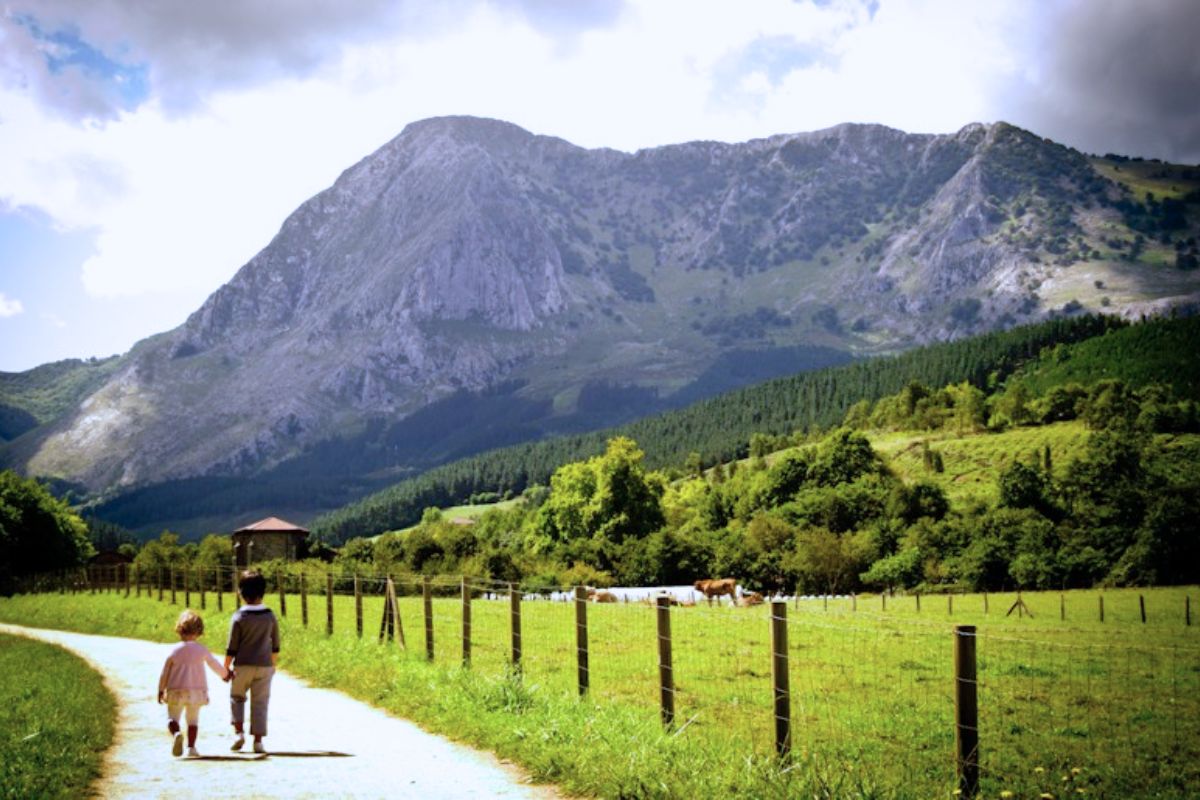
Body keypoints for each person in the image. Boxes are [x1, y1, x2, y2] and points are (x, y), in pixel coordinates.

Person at [158, 609, 232, 758]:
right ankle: (191, 748)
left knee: (172, 718)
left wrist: (160, 690)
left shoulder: (173, 651)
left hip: (175, 690)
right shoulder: (202, 650)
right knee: (193, 720)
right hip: (197, 692)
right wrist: (226, 675)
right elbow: (214, 665)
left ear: (179, 630)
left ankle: (177, 733)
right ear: (199, 632)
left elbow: (164, 673)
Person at [224, 570, 280, 754]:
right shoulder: (270, 616)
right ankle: (258, 741)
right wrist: (273, 665)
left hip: (242, 666)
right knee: (260, 702)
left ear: (240, 592)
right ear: (263, 591)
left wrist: (225, 667)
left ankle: (239, 733)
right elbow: (276, 645)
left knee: (237, 697)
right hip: (264, 666)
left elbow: (232, 647)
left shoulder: (239, 617)